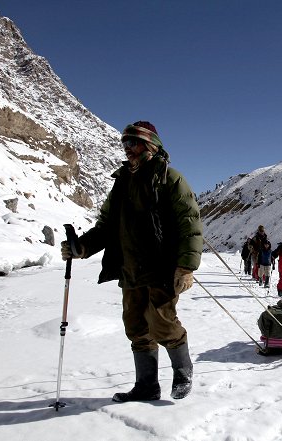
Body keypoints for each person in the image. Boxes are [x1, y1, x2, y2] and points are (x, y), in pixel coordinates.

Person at [60, 121, 203, 402]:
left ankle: (183, 371)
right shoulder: (121, 183)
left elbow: (190, 224)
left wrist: (186, 267)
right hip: (130, 267)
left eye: (134, 144)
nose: (128, 150)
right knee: (136, 326)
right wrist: (81, 247)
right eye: (125, 145)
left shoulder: (170, 179)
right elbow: (106, 226)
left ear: (151, 146)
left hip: (161, 267)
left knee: (161, 321)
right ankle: (147, 386)